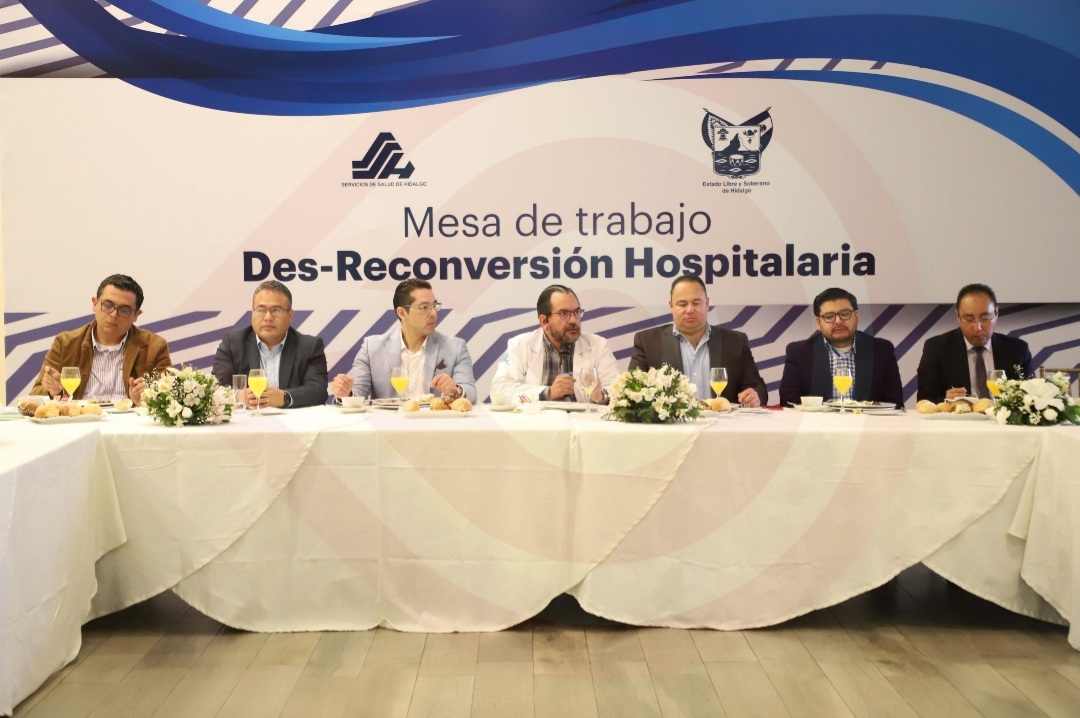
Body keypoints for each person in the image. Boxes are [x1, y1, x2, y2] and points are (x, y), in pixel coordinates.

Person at [31, 273, 172, 404]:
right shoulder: (65, 343)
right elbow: (35, 395)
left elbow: (171, 398)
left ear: (136, 315)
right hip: (82, 419)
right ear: (94, 303)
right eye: (108, 305)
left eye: (124, 310)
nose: (113, 314)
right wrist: (55, 392)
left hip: (130, 420)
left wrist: (147, 400)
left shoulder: (155, 346)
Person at [628, 275, 767, 407]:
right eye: (682, 304)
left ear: (707, 303)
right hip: (672, 423)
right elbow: (631, 391)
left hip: (724, 422)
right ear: (671, 306)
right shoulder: (648, 342)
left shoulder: (735, 342)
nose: (689, 310)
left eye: (696, 303)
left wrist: (754, 396)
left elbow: (758, 388)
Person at [331, 278, 476, 402]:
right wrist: (346, 393)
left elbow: (471, 393)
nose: (433, 313)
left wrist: (455, 390)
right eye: (424, 307)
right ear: (402, 313)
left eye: (434, 306)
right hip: (388, 424)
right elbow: (357, 393)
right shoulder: (372, 348)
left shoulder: (455, 347)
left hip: (435, 422)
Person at [490, 284, 619, 403]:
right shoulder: (521, 345)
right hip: (537, 419)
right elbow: (499, 389)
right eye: (563, 314)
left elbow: (618, 392)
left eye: (577, 312)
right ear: (544, 321)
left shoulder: (598, 345)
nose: (573, 320)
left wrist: (601, 396)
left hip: (585, 420)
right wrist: (548, 393)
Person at [212, 280, 329, 409]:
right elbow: (216, 387)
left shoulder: (309, 346)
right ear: (253, 313)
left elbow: (318, 391)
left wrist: (285, 397)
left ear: (290, 315)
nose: (268, 317)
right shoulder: (233, 343)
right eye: (261, 310)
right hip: (248, 420)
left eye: (276, 310)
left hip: (292, 421)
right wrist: (238, 396)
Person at [779, 287, 903, 408]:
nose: (838, 321)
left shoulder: (881, 350)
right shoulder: (799, 353)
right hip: (818, 422)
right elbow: (789, 404)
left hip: (867, 421)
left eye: (845, 314)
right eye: (829, 316)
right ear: (818, 322)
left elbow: (895, 404)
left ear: (856, 316)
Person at [917, 283, 1034, 403]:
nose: (977, 327)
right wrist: (946, 401)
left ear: (996, 314)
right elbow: (924, 401)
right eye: (969, 319)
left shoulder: (1018, 349)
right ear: (958, 316)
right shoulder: (937, 349)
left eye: (984, 318)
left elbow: (1032, 400)